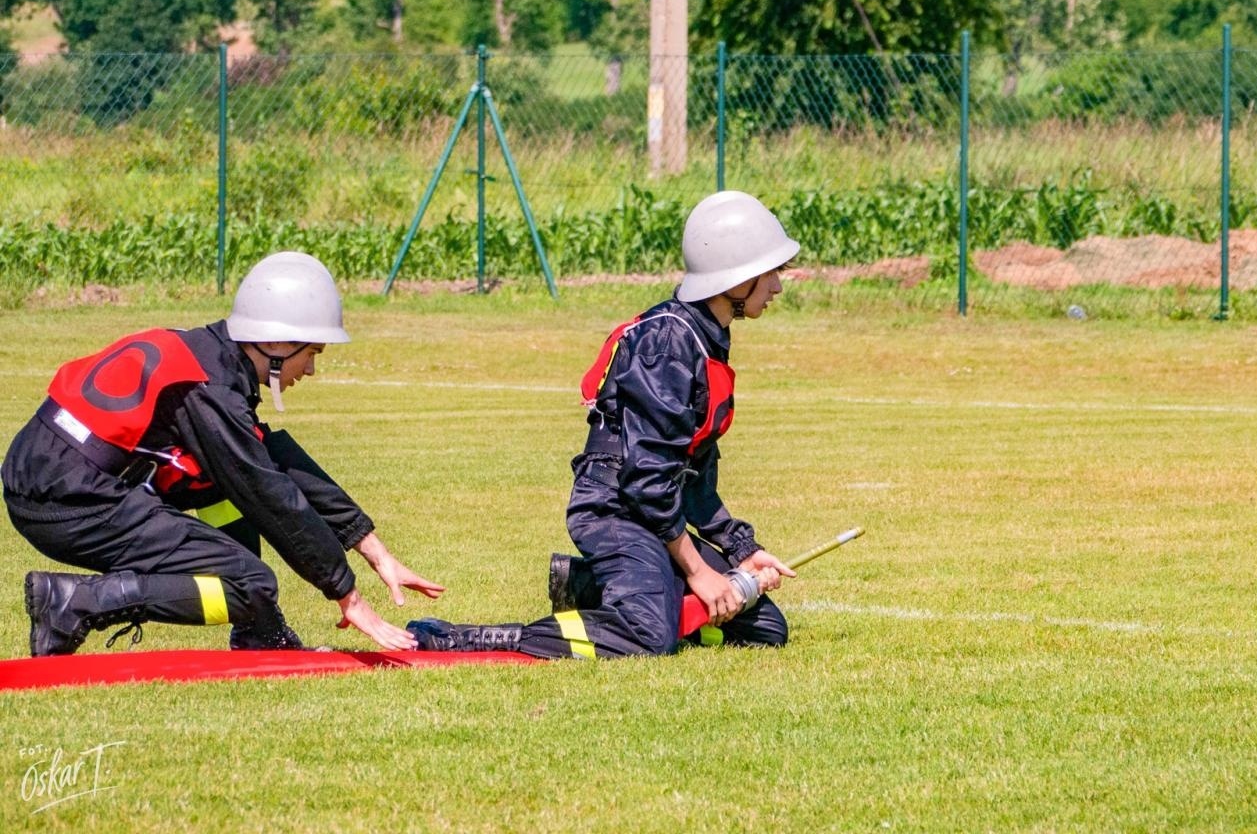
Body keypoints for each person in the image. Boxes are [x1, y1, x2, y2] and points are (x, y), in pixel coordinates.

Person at [409, 190, 798, 659]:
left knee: (765, 629)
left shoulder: (706, 338)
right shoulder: (668, 343)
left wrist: (741, 551)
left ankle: (596, 587)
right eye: (770, 272)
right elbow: (647, 480)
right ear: (735, 277)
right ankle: (468, 637)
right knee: (649, 637)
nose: (778, 286)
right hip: (615, 509)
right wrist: (699, 571)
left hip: (653, 513)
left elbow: (691, 479)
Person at [3, 251, 442, 657]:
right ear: (278, 343)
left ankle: (259, 634)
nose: (309, 369)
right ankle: (76, 603)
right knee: (248, 583)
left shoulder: (206, 357)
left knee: (220, 483)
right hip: (66, 500)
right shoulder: (208, 390)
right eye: (311, 353)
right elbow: (270, 495)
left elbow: (273, 460)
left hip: (54, 480)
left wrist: (373, 548)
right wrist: (348, 595)